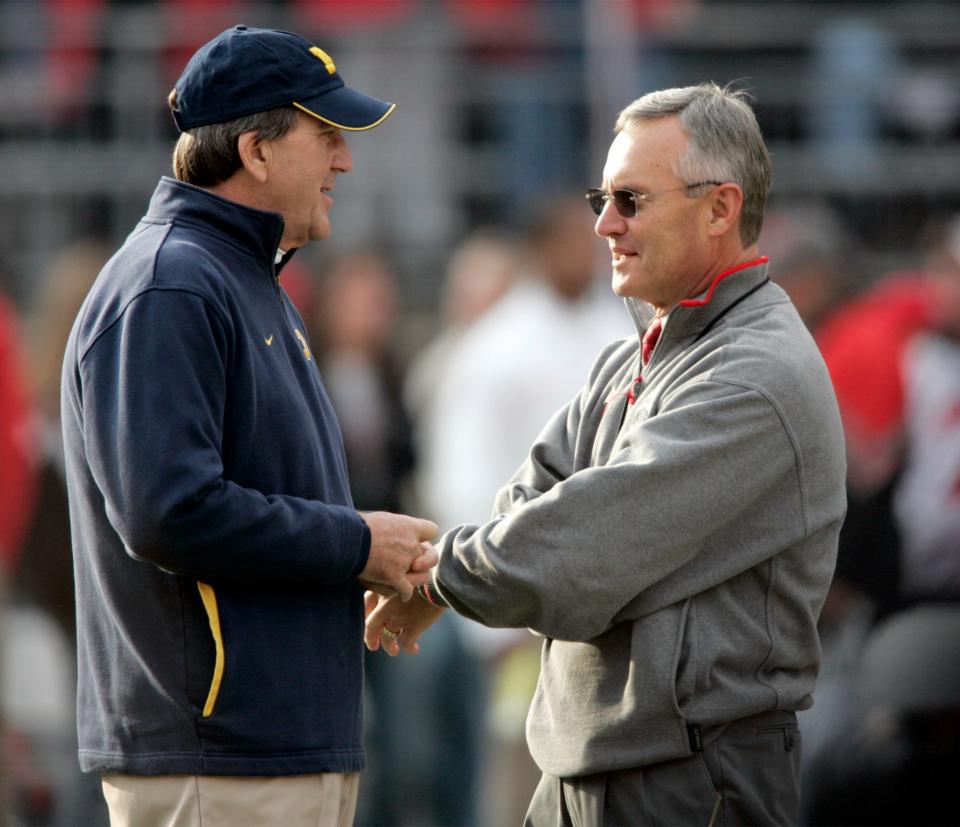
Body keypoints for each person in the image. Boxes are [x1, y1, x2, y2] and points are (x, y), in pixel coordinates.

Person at [365, 82, 847, 826]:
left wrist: (438, 580)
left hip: (692, 781)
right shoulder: (632, 355)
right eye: (601, 200)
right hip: (597, 769)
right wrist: (508, 566)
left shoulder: (757, 373)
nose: (604, 226)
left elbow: (576, 550)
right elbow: (529, 504)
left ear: (720, 209)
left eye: (630, 200)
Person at [60, 25, 438, 827]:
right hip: (218, 757)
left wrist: (365, 562)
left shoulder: (235, 279)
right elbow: (169, 509)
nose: (346, 160)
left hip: (265, 751)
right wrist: (356, 544)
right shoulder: (174, 285)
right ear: (258, 152)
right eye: (326, 134)